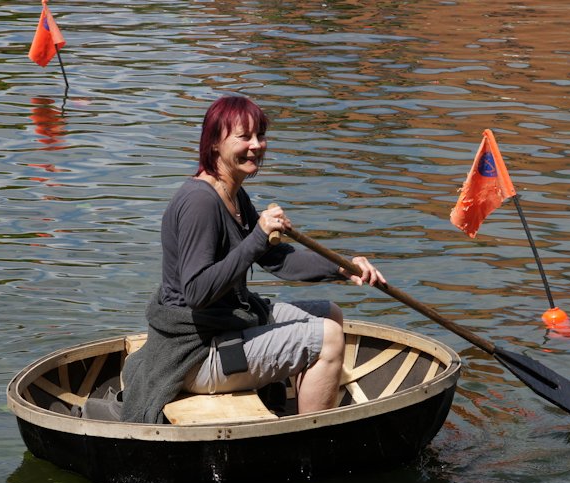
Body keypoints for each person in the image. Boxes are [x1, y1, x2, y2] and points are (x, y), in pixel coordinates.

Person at [121, 95, 385, 424]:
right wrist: (257, 238)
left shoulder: (233, 194)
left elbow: (278, 260)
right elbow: (196, 292)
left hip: (226, 324)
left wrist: (344, 268)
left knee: (331, 314)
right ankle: (310, 440)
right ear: (214, 144)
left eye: (260, 135)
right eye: (244, 137)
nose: (256, 145)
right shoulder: (200, 204)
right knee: (328, 339)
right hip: (195, 354)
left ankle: (305, 410)